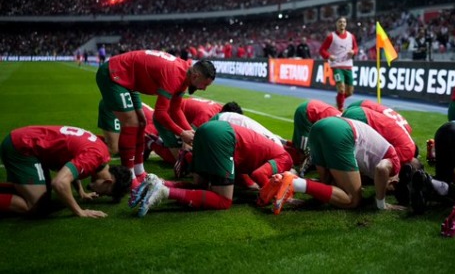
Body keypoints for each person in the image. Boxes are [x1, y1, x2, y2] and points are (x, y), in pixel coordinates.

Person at [95, 49, 216, 187]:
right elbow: (160, 114)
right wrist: (182, 133)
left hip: (128, 77)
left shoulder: (185, 74)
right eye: (205, 84)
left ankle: (139, 172)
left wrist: (191, 132)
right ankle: (128, 177)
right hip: (115, 74)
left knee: (142, 122)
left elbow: (175, 110)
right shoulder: (175, 75)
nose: (204, 89)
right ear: (196, 76)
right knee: (132, 123)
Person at [130, 120, 293, 216]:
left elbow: (246, 172)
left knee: (200, 186)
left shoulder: (271, 148)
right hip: (224, 137)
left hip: (208, 130)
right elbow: (260, 173)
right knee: (224, 200)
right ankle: (165, 192)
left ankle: (161, 183)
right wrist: (276, 194)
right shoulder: (286, 159)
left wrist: (255, 187)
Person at [259, 116, 402, 214]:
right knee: (353, 200)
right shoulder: (394, 164)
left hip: (320, 128)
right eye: (393, 186)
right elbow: (382, 169)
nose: (390, 188)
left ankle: (282, 181)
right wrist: (381, 204)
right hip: (341, 133)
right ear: (395, 179)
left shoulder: (374, 169)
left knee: (326, 184)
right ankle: (293, 183)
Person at [0, 125, 131, 218]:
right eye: (106, 193)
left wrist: (81, 192)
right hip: (23, 147)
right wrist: (80, 211)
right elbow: (58, 183)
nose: (99, 194)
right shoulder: (93, 158)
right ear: (108, 182)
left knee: (42, 197)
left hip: (29, 142)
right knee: (36, 207)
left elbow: (74, 165)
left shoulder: (101, 155)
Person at [291, 99, 342, 175]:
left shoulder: (344, 123)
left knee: (309, 146)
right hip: (306, 112)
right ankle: (299, 164)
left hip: (315, 109)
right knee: (304, 149)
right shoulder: (341, 130)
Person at [319, 17, 359, 111]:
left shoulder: (351, 36)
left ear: (346, 24)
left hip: (348, 65)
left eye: (344, 22)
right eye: (340, 22)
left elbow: (356, 48)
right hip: (336, 65)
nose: (342, 23)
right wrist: (329, 56)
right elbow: (322, 50)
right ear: (336, 24)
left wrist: (354, 52)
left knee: (350, 92)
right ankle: (340, 109)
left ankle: (339, 99)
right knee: (341, 89)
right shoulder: (331, 37)